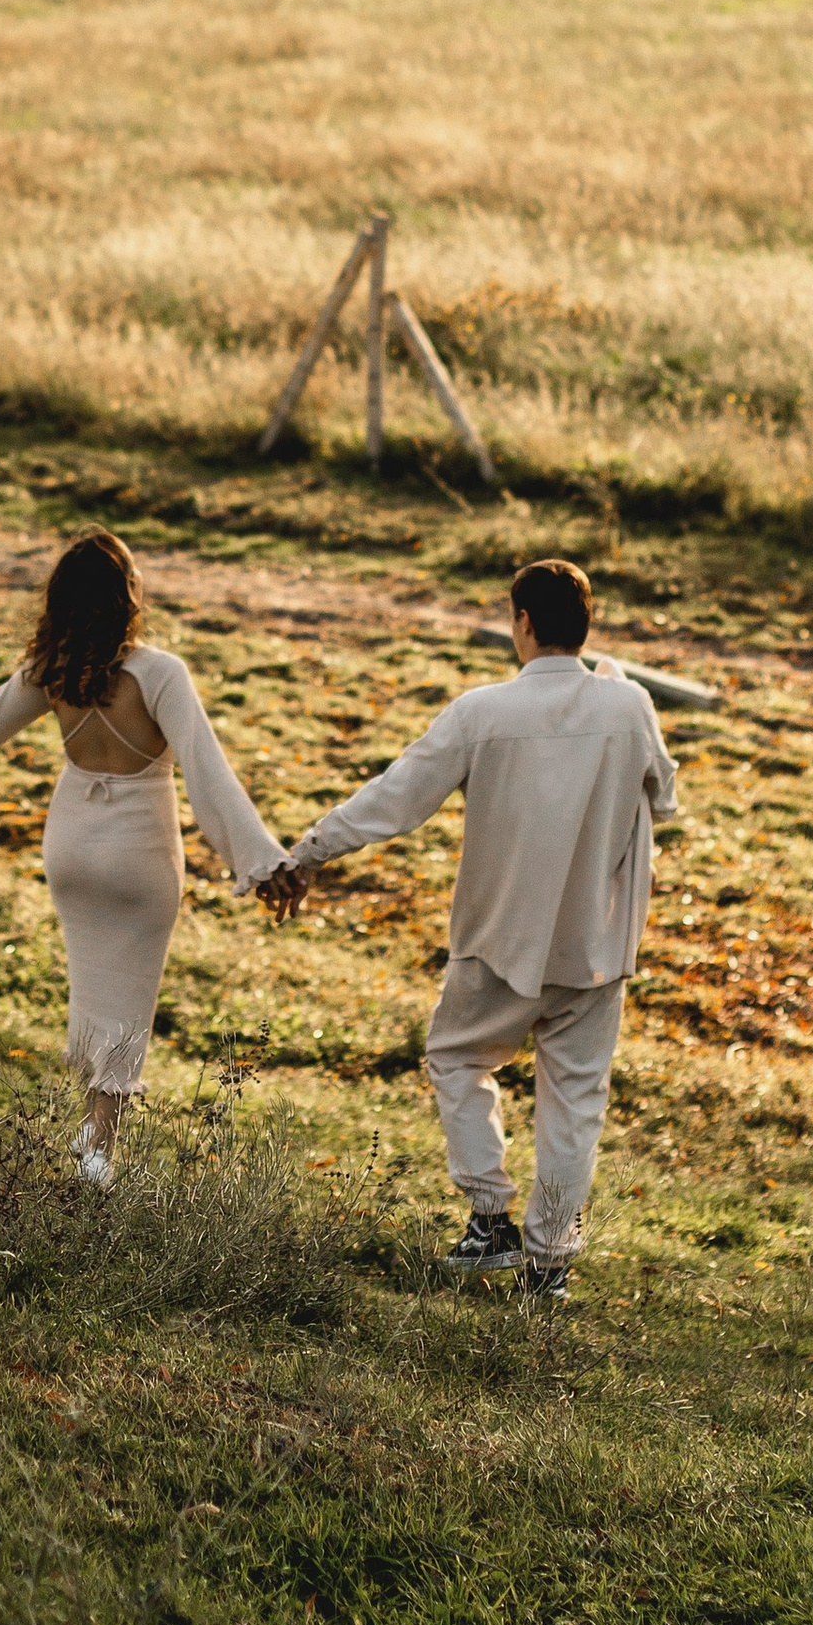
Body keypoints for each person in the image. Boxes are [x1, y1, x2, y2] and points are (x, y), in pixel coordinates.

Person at [259, 556, 675, 1305]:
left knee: (455, 1057)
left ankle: (490, 1216)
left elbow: (396, 797)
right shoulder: (630, 706)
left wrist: (311, 849)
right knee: (575, 1100)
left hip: (499, 938)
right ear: (587, 625)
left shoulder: (481, 711)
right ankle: (550, 1265)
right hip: (596, 942)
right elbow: (665, 794)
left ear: (522, 623)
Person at [0, 530, 285, 1183]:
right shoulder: (159, 672)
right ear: (129, 597)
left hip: (72, 846)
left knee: (93, 987)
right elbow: (209, 773)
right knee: (130, 996)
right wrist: (258, 862)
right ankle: (98, 1146)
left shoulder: (51, 671)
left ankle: (92, 1128)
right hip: (138, 851)